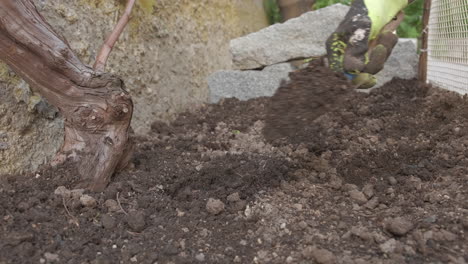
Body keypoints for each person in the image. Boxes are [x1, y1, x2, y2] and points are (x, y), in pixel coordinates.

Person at [325, 0, 416, 89]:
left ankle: (341, 77)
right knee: (354, 49)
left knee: (343, 48)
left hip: (362, 18)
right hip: (370, 25)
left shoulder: (397, 13)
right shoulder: (398, 14)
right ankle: (359, 73)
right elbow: (385, 31)